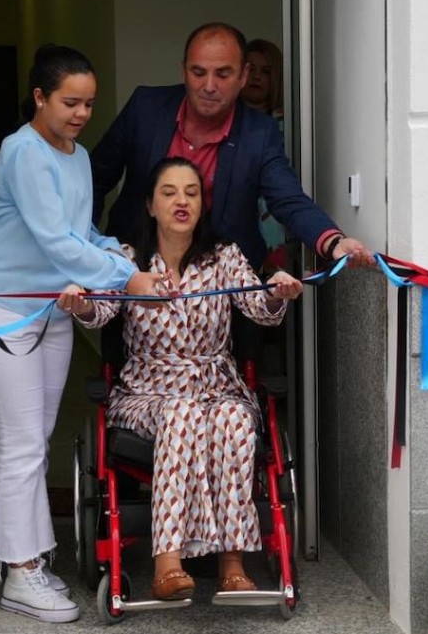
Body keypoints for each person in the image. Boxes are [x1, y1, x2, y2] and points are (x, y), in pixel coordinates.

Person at [0, 44, 166, 624]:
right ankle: (19, 574)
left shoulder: (74, 155)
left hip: (52, 306)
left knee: (38, 438)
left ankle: (33, 560)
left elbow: (81, 234)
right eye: (70, 102)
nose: (80, 113)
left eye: (89, 104)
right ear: (40, 96)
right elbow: (54, 242)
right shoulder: (22, 152)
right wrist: (129, 278)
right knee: (21, 440)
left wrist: (119, 253)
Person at [58, 157, 304, 600]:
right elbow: (103, 310)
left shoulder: (223, 257)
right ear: (150, 204)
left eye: (191, 192)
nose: (181, 201)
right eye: (169, 192)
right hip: (147, 390)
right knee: (182, 411)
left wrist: (276, 290)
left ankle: (232, 561)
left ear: (202, 203)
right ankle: (167, 561)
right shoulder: (126, 259)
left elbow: (256, 305)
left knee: (232, 418)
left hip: (217, 383)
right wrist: (80, 304)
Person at [91, 22, 372, 271]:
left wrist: (334, 241)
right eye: (198, 72)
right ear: (184, 71)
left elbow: (288, 199)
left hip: (226, 286)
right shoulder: (145, 108)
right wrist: (85, 250)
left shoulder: (259, 132)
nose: (209, 86)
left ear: (243, 76)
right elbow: (94, 179)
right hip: (134, 274)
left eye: (223, 74)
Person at [241, 38, 288, 270]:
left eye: (266, 71)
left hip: (276, 230)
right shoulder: (227, 122)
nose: (257, 77)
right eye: (252, 70)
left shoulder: (289, 126)